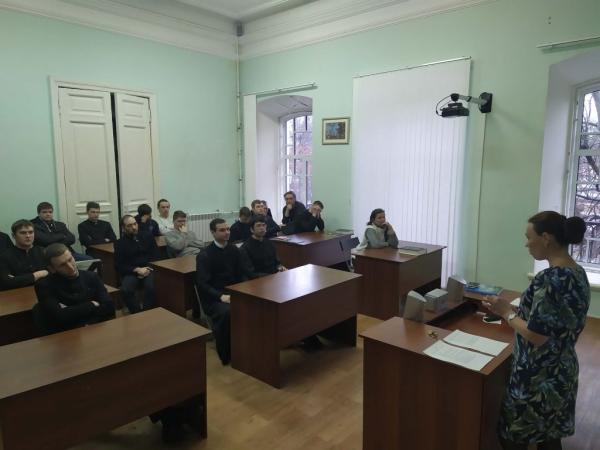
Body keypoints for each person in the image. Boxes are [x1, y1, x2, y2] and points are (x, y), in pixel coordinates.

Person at [483, 211, 590, 450]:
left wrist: (506, 313)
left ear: (546, 238)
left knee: (511, 436)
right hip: (563, 370)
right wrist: (518, 311)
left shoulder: (550, 279)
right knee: (549, 437)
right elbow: (555, 320)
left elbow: (537, 335)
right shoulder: (577, 272)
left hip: (539, 375)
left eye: (529, 237)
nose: (526, 244)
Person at [196, 218, 252, 365]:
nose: (227, 232)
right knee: (227, 312)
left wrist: (245, 289)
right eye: (222, 230)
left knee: (257, 304)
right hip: (214, 298)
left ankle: (249, 346)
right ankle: (227, 353)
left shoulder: (234, 250)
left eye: (228, 229)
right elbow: (202, 284)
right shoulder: (205, 255)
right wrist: (221, 296)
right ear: (213, 232)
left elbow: (242, 273)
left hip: (234, 292)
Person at [34, 243, 115, 334]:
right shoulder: (44, 285)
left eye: (70, 259)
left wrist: (71, 311)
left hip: (94, 329)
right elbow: (59, 317)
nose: (70, 267)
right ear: (52, 269)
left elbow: (109, 307)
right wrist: (91, 304)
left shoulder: (91, 276)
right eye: (62, 265)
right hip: (66, 335)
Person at [114, 214, 158, 314]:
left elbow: (156, 255)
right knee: (126, 289)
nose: (134, 227)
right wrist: (137, 270)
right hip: (132, 271)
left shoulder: (148, 236)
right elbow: (119, 265)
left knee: (151, 287)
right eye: (129, 226)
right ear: (123, 228)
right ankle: (136, 314)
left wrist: (148, 268)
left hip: (149, 269)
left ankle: (146, 313)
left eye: (135, 224)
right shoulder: (119, 243)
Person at [0, 219, 48, 290]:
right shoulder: (4, 257)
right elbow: (7, 282)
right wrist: (37, 275)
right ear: (13, 236)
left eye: (31, 232)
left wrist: (18, 279)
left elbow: (53, 274)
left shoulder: (44, 251)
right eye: (23, 233)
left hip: (46, 291)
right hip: (20, 294)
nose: (28, 236)